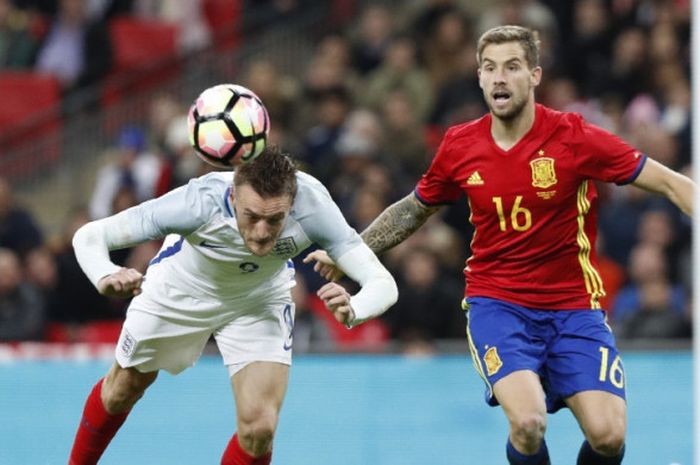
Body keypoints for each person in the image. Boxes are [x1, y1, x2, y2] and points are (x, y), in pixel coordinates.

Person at [306, 25, 693, 465]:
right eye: (489, 69)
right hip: (499, 305)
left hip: (574, 306)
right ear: (479, 78)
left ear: (535, 76)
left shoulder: (575, 137)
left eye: (512, 67)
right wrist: (349, 253)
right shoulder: (460, 145)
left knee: (609, 437)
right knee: (528, 424)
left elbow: (672, 184)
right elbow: (413, 210)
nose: (499, 78)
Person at [67, 145, 398, 465]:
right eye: (251, 216)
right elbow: (90, 236)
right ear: (232, 197)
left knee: (260, 429)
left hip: (259, 298)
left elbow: (382, 284)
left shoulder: (314, 206)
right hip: (181, 288)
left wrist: (354, 308)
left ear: (292, 202)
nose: (261, 232)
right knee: (121, 390)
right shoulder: (197, 202)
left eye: (275, 219)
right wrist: (105, 273)